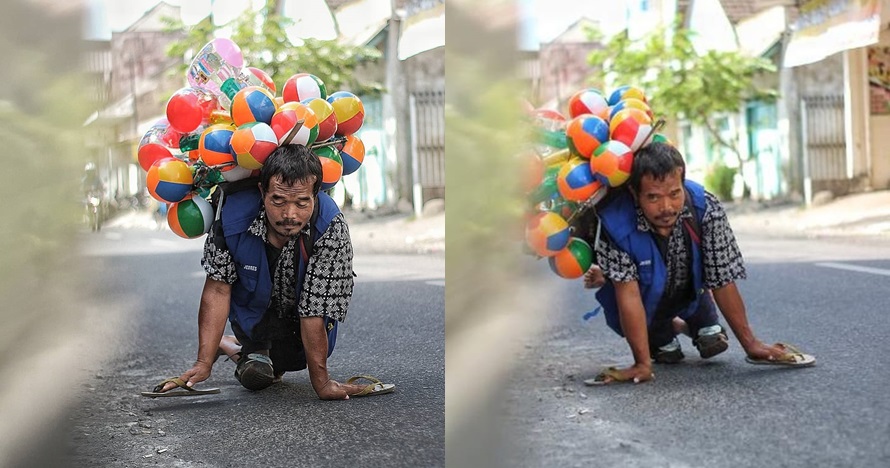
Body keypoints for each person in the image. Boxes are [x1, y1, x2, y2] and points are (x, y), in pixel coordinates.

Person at [151, 144, 394, 399]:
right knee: (256, 377)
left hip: (301, 327)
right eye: (278, 200)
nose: (289, 214)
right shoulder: (231, 217)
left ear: (316, 196)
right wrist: (203, 362)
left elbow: (314, 311)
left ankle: (231, 345)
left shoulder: (330, 228)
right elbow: (218, 289)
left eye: (302, 203)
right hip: (253, 321)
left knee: (285, 364)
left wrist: (322, 384)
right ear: (262, 192)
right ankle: (243, 345)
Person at [583, 142, 815, 385]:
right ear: (634, 193)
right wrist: (641, 364)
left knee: (710, 334)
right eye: (653, 197)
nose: (666, 207)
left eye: (674, 194)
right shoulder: (614, 225)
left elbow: (722, 279)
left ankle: (695, 324)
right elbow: (628, 295)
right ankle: (668, 332)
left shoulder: (706, 209)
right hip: (646, 309)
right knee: (667, 352)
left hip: (692, 294)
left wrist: (751, 344)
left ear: (683, 183)